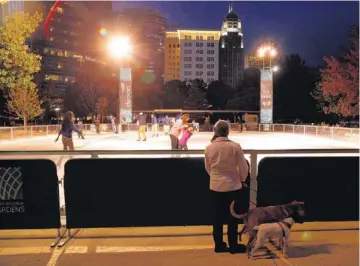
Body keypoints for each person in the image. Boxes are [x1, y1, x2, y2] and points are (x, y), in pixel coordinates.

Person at [205, 120, 249, 254]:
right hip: (232, 186)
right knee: (233, 217)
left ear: (215, 131)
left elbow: (208, 168)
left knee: (217, 217)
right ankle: (233, 245)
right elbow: (243, 167)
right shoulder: (235, 147)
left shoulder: (209, 147)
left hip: (215, 187)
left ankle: (219, 244)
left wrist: (215, 177)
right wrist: (242, 180)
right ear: (228, 131)